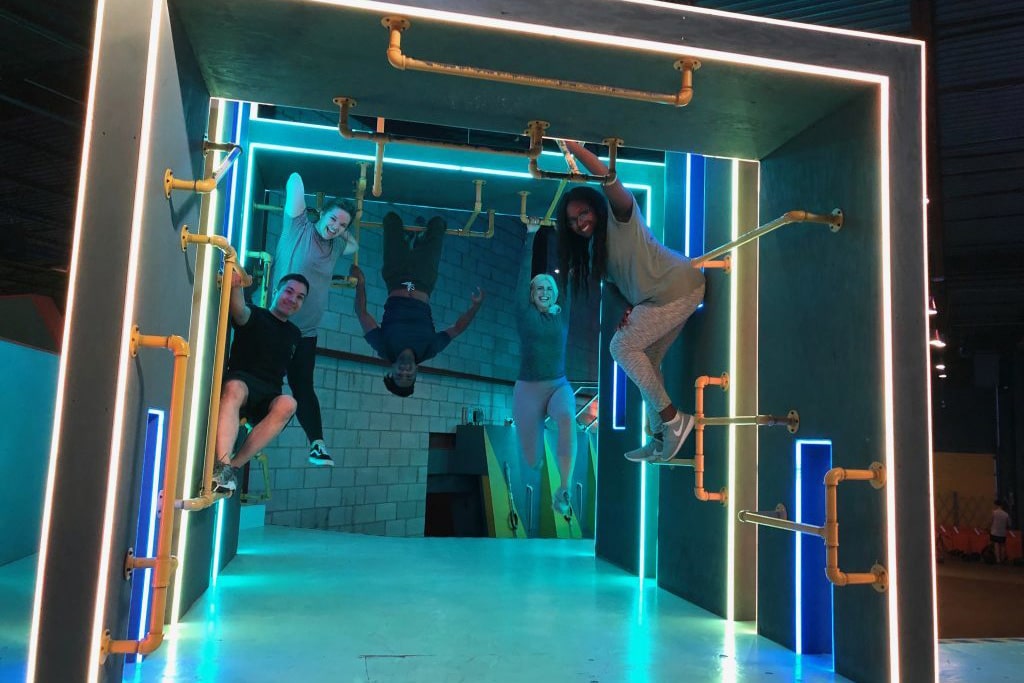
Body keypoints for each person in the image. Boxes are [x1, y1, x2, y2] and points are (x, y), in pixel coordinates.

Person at [557, 140, 705, 463]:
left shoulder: (619, 215)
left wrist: (574, 148)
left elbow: (607, 177)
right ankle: (659, 437)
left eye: (582, 213)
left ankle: (673, 418)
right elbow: (614, 283)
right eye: (572, 221)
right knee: (646, 361)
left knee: (620, 348)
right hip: (657, 299)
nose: (580, 222)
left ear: (594, 208)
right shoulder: (598, 249)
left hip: (679, 285)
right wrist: (626, 305)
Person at [274, 171, 359, 467]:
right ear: (321, 213)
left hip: (307, 332)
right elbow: (295, 178)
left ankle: (317, 445)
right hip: (278, 323)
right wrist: (308, 210)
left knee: (303, 386)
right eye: (333, 219)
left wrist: (343, 231)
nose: (335, 227)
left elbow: (354, 247)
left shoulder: (336, 246)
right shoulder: (298, 227)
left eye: (342, 224)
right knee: (269, 377)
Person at [351, 211, 483, 396]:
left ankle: (408, 239)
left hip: (395, 277)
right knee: (437, 223)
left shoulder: (384, 347)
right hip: (423, 281)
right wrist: (475, 307)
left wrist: (361, 284)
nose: (404, 371)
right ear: (416, 373)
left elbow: (362, 314)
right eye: (409, 376)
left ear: (392, 372)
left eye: (399, 375)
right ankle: (419, 240)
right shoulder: (429, 350)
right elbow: (456, 329)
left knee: (391, 219)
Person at [211, 271, 309, 493]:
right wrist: (236, 285)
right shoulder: (257, 315)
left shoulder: (295, 334)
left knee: (289, 403)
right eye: (289, 291)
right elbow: (239, 310)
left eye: (300, 297)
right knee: (235, 387)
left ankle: (231, 469)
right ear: (276, 291)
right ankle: (223, 463)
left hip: (268, 393)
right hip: (242, 381)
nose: (293, 299)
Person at [514, 220, 576, 517]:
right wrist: (530, 236)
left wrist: (564, 236)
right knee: (531, 459)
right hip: (527, 389)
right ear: (531, 294)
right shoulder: (524, 315)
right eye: (538, 288)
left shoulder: (562, 317)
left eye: (548, 287)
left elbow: (566, 279)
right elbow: (521, 280)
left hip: (557, 385)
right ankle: (537, 460)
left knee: (567, 418)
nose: (544, 291)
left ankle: (563, 489)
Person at [991, 499, 1011, 564]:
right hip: (1002, 532)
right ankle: (1002, 559)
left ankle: (998, 559)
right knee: (1002, 545)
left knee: (996, 545)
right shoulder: (1006, 514)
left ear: (996, 505)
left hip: (994, 531)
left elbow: (991, 521)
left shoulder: (994, 512)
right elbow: (1009, 524)